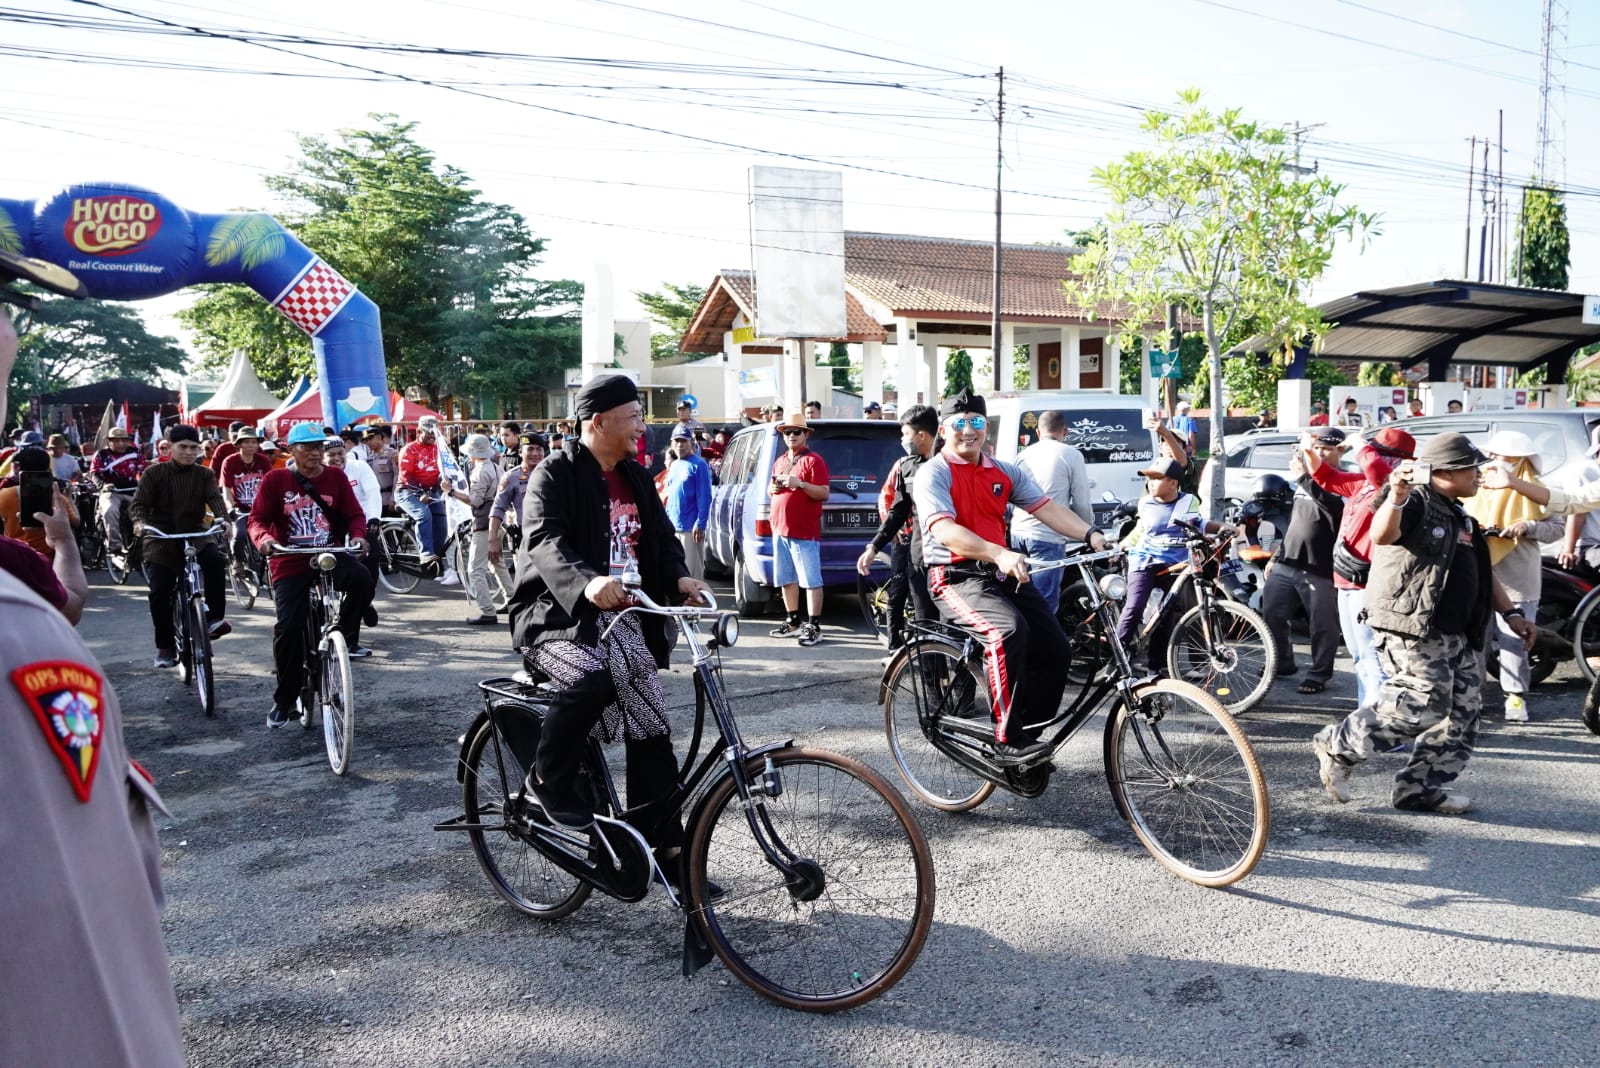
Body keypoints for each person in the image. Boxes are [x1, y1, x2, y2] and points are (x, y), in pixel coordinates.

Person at [507, 374, 709, 856]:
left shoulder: (636, 474)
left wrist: (679, 577)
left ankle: (664, 850)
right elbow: (543, 539)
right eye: (633, 416)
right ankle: (545, 778)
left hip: (622, 622)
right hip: (557, 620)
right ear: (598, 421)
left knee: (651, 727)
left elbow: (660, 540)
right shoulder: (553, 473)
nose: (642, 425)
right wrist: (587, 582)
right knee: (592, 679)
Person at [1313, 432, 1535, 815]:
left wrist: (1511, 614)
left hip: (1459, 632)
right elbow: (1384, 534)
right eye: (1472, 468)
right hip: (1414, 626)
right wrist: (1396, 496)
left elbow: (1482, 572)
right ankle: (1338, 743)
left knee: (1461, 714)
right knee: (1421, 704)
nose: (1479, 475)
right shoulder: (1414, 501)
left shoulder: (1459, 513)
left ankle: (1419, 790)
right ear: (1444, 470)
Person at [911, 389, 1108, 762]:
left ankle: (1029, 734)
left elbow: (1047, 508)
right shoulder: (932, 473)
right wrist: (998, 552)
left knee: (1056, 649)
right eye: (959, 424)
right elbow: (945, 530)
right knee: (1007, 632)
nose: (969, 431)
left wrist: (1089, 533)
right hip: (954, 577)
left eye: (977, 423)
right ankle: (1006, 740)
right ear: (942, 429)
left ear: (987, 428)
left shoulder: (1004, 471)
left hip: (1000, 574)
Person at [248, 422, 374, 727]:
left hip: (328, 555)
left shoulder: (336, 477)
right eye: (309, 447)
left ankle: (341, 634)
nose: (317, 453)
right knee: (289, 629)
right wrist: (265, 539)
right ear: (292, 450)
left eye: (320, 447)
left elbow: (354, 514)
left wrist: (358, 535)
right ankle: (285, 699)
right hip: (289, 560)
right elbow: (257, 519)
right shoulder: (276, 480)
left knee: (362, 580)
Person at [1301, 425, 1416, 721]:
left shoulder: (1393, 487)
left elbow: (1380, 475)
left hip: (1370, 581)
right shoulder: (1361, 483)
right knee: (1359, 655)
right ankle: (1367, 715)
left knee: (1374, 656)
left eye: (1381, 454)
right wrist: (1307, 449)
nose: (1374, 457)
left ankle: (1380, 722)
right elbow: (1325, 477)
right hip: (1346, 578)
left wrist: (1359, 444)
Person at [1466, 430, 1561, 723]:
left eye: (1499, 456)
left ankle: (1516, 697)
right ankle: (1472, 699)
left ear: (1519, 460)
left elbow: (1557, 528)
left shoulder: (1538, 490)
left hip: (1518, 579)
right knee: (1476, 641)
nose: (1492, 461)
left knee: (1515, 642)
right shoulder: (1477, 485)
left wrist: (1528, 526)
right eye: (1491, 455)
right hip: (1480, 576)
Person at [1114, 458, 1231, 674]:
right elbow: (1141, 529)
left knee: (1164, 615)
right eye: (1148, 479)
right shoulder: (1146, 502)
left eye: (1156, 478)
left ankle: (1155, 667)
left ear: (1173, 483)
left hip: (1174, 565)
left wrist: (1222, 526)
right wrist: (1123, 545)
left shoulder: (1189, 501)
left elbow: (1198, 523)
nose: (1150, 483)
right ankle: (1117, 662)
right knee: (1134, 608)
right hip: (1144, 560)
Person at [131, 424, 231, 668]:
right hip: (160, 537)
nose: (188, 452)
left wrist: (224, 521)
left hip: (195, 533)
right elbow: (139, 505)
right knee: (159, 591)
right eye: (182, 447)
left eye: (193, 448)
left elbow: (215, 500)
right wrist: (139, 523)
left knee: (216, 560)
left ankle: (213, 618)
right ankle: (165, 646)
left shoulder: (204, 474)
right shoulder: (153, 473)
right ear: (169, 447)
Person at [1260, 428, 1346, 695]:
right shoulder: (1303, 479)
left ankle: (1319, 674)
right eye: (1316, 447)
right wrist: (1275, 556)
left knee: (1322, 625)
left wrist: (1304, 478)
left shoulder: (1345, 480)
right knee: (1272, 614)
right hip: (1289, 560)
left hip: (1321, 567)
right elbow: (1295, 524)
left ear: (1340, 451)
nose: (1319, 453)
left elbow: (1334, 508)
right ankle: (1282, 663)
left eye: (1326, 449)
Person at [858, 403, 939, 651]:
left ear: (921, 435)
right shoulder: (906, 466)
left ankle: (961, 685)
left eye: (905, 434)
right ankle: (927, 680)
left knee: (950, 625)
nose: (902, 440)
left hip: (951, 556)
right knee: (917, 613)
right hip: (915, 551)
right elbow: (896, 508)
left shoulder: (951, 463)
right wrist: (874, 546)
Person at [1009, 409, 1094, 613]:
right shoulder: (1071, 454)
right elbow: (1082, 501)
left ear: (1038, 432)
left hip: (1018, 534)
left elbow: (1012, 500)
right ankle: (1043, 645)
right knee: (1045, 607)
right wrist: (1088, 533)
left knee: (1022, 599)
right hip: (1048, 537)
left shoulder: (1022, 456)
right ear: (1065, 431)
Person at [768, 411, 831, 646]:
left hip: (803, 531)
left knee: (811, 579)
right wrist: (772, 489)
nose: (792, 435)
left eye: (797, 432)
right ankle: (793, 620)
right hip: (780, 529)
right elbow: (770, 487)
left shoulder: (814, 460)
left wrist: (800, 484)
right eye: (787, 432)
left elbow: (824, 492)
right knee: (786, 578)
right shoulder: (781, 460)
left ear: (805, 434)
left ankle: (814, 625)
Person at [323, 435, 383, 636]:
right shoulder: (322, 472)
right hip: (334, 526)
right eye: (331, 455)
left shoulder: (359, 467)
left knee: (371, 560)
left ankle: (365, 601)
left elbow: (373, 492)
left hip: (363, 520)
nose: (337, 458)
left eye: (340, 453)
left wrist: (374, 517)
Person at [456, 433, 513, 624]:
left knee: (475, 569)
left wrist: (451, 492)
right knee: (496, 561)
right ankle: (512, 600)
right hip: (499, 518)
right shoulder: (497, 467)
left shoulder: (479, 471)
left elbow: (475, 500)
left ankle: (488, 610)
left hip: (484, 521)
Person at [0, 445, 79, 559]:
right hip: (49, 560)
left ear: (19, 469)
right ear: (48, 470)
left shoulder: (3, 495)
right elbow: (76, 522)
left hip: (15, 558)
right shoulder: (57, 498)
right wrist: (69, 497)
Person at [396, 415, 451, 572]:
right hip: (407, 491)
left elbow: (445, 470)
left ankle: (436, 556)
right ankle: (426, 553)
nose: (433, 436)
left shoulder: (438, 448)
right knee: (423, 515)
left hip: (431, 490)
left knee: (441, 519)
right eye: (429, 433)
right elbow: (406, 475)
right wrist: (419, 493)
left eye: (435, 433)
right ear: (419, 431)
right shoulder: (409, 450)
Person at [488, 432, 546, 577]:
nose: (535, 453)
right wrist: (493, 539)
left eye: (539, 449)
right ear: (520, 452)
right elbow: (498, 508)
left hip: (549, 536)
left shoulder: (553, 474)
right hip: (523, 537)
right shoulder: (511, 477)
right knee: (526, 582)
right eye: (530, 449)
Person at [217, 426, 272, 575]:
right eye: (246, 442)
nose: (251, 445)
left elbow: (270, 485)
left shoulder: (263, 461)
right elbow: (226, 489)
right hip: (240, 507)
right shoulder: (230, 462)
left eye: (254, 442)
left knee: (272, 533)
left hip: (260, 507)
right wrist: (230, 508)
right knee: (240, 533)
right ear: (239, 444)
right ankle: (238, 562)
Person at [662, 425, 713, 581]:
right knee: (677, 574)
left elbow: (705, 496)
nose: (680, 445)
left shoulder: (699, 465)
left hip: (691, 529)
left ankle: (698, 605)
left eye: (683, 441)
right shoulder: (675, 465)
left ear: (691, 442)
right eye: (676, 441)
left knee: (692, 575)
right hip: (673, 527)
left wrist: (700, 523)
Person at [90, 425, 146, 562]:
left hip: (131, 491)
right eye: (116, 440)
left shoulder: (135, 452)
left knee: (144, 512)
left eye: (123, 440)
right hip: (111, 491)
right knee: (110, 510)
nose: (121, 443)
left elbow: (144, 470)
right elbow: (95, 473)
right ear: (109, 441)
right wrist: (103, 485)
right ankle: (115, 546)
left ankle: (142, 543)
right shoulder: (101, 455)